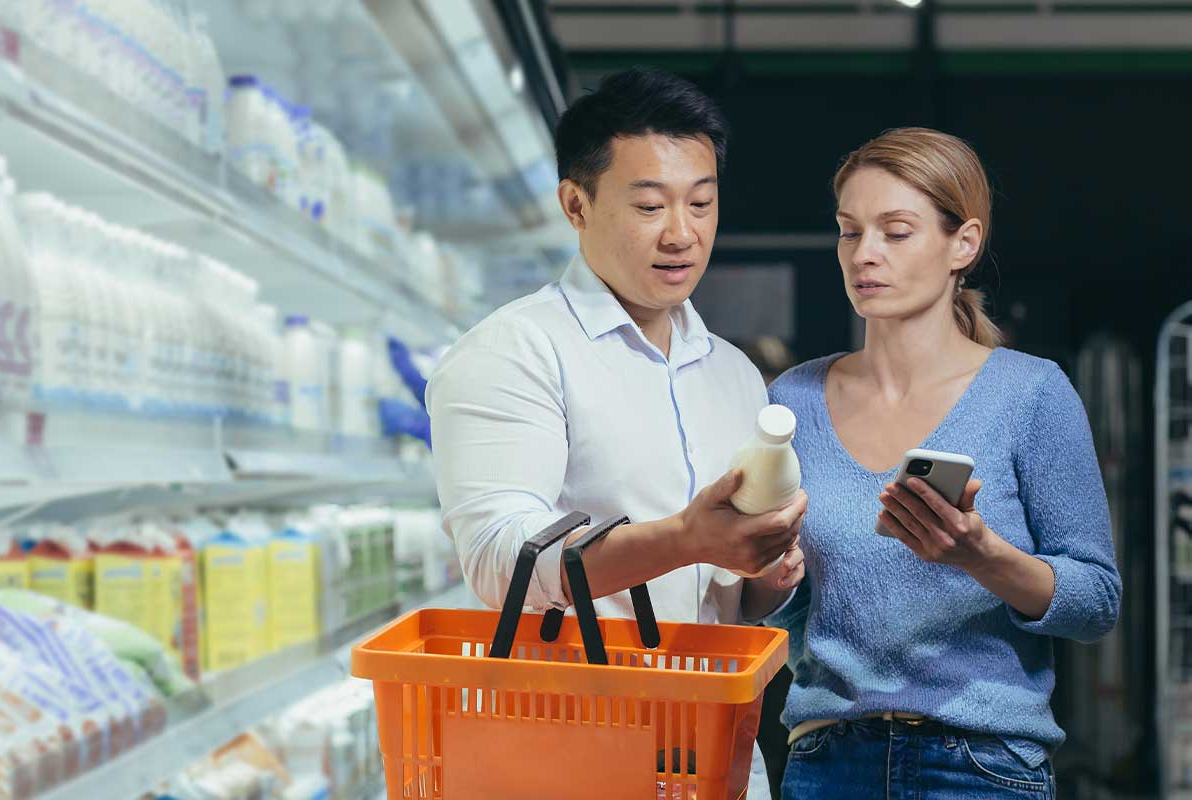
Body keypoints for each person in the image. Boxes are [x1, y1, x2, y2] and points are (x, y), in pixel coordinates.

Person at [427, 68, 807, 794]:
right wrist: (684, 539)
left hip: (722, 763)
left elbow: (728, 598)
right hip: (572, 760)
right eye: (648, 205)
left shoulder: (732, 374)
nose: (681, 233)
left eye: (701, 203)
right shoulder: (513, 352)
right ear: (575, 203)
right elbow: (499, 561)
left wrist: (765, 575)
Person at [765, 127, 1122, 799]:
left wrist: (980, 555)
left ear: (964, 243)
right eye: (849, 232)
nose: (863, 255)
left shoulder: (1030, 394)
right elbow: (789, 611)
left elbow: (1094, 602)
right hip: (827, 763)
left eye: (894, 232)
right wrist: (763, 574)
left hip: (983, 768)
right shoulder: (792, 401)